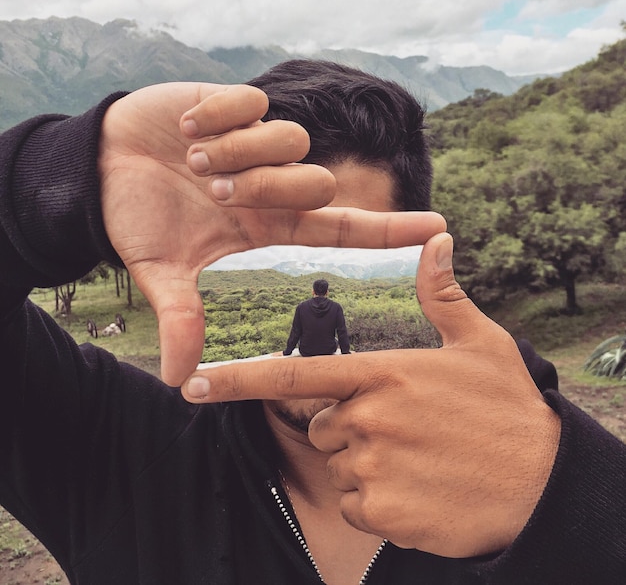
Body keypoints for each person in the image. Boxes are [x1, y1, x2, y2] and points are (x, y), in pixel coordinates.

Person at [0, 60, 624, 584]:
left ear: (416, 258)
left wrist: (571, 496)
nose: (308, 278)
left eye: (341, 251)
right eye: (265, 256)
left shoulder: (532, 463)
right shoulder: (112, 443)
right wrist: (56, 181)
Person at [281, 279, 351, 357]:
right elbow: (342, 331)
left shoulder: (301, 307)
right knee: (335, 340)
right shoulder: (336, 307)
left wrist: (287, 351)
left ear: (313, 292)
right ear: (327, 292)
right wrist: (345, 352)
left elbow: (295, 331)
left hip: (306, 350)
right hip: (328, 349)